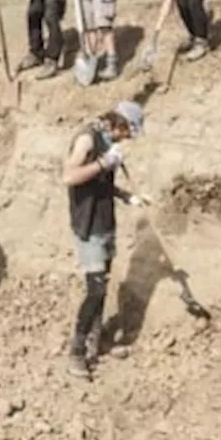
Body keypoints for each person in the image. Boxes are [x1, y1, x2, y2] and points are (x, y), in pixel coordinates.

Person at [60, 100, 150, 378]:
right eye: (128, 131)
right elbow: (69, 176)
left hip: (105, 220)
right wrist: (103, 162)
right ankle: (76, 352)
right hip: (88, 224)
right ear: (119, 123)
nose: (129, 138)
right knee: (96, 290)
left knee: (103, 285)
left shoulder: (109, 142)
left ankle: (94, 343)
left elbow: (103, 184)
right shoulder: (88, 139)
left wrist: (127, 196)